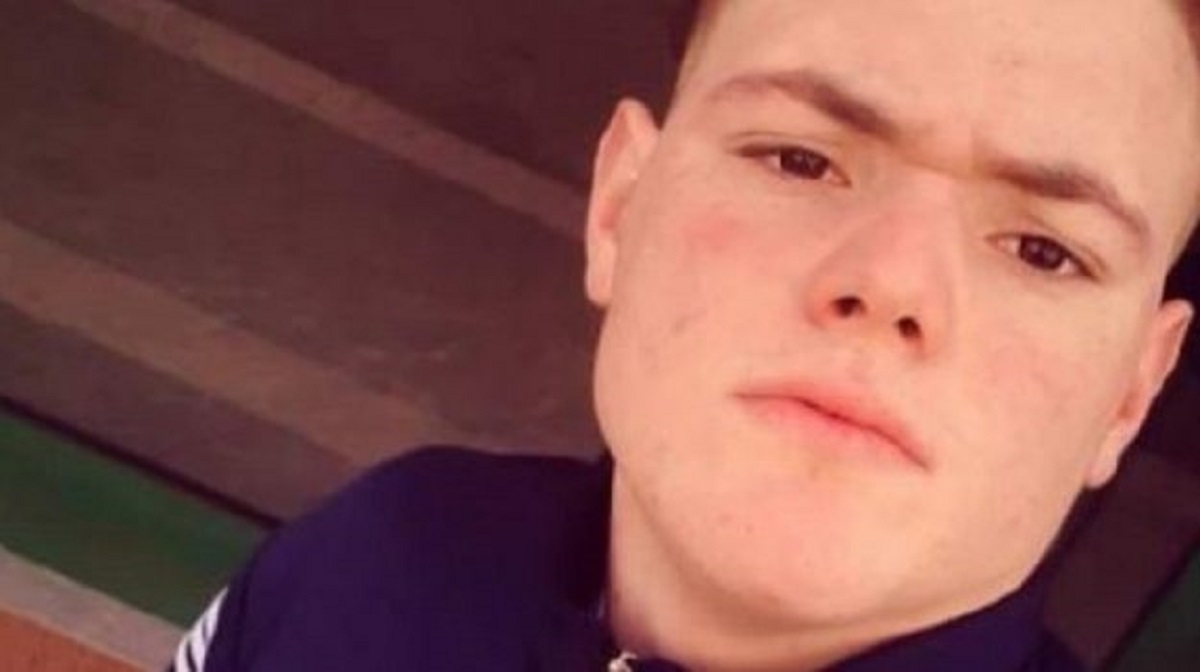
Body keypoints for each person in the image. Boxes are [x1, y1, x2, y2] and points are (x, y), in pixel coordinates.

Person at [171, 0, 1200, 670]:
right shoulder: (390, 549)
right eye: (799, 160)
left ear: (1131, 394)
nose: (892, 283)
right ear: (620, 207)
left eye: (1044, 252)